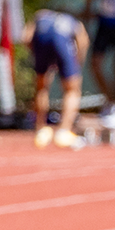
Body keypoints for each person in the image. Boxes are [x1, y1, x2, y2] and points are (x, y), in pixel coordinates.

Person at [26, 9, 88, 148]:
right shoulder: (72, 20)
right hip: (62, 40)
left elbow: (27, 37)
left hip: (41, 39)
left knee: (41, 87)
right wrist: (77, 65)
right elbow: (83, 42)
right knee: (72, 89)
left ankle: (40, 128)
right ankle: (63, 130)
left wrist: (36, 57)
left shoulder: (40, 16)